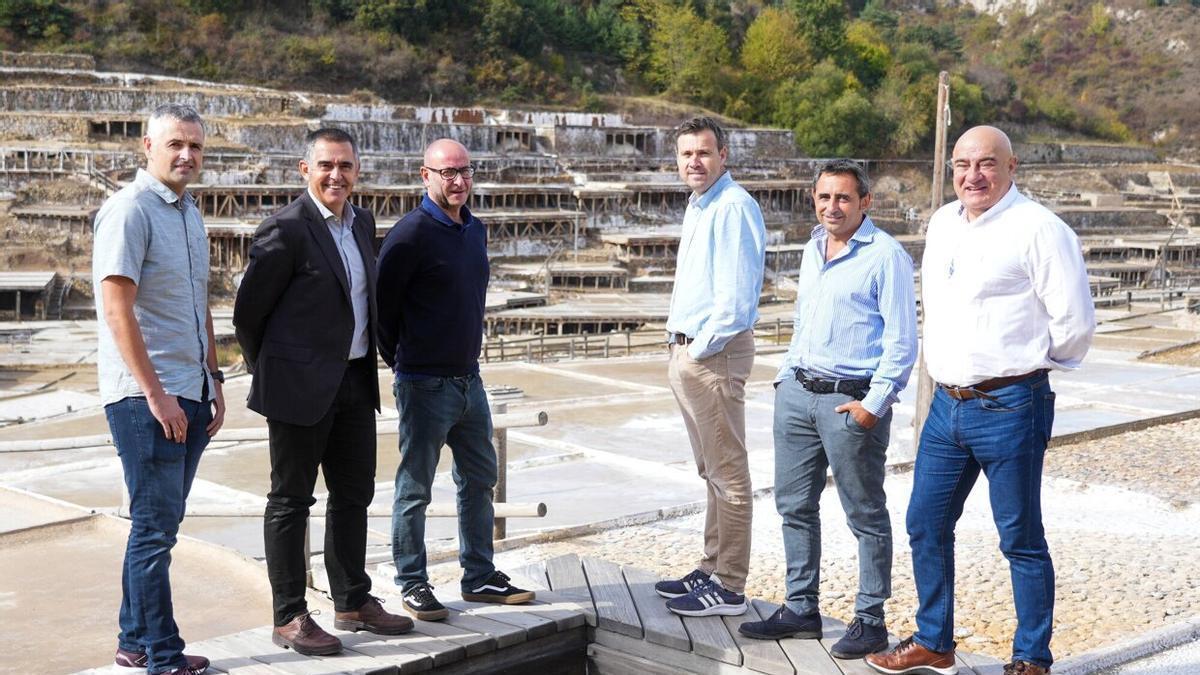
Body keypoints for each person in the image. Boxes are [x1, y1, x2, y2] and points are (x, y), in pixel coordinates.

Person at [866, 126, 1095, 675]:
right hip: (947, 406)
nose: (973, 175)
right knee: (925, 522)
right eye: (963, 164)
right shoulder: (943, 223)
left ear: (1011, 166)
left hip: (1010, 404)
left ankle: (1031, 658)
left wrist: (1028, 369)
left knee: (1018, 535)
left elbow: (1076, 324)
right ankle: (933, 640)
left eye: (987, 164)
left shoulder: (1041, 229)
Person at [234, 128, 411, 656]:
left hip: (355, 379)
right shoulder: (284, 230)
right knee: (291, 500)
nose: (337, 175)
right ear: (304, 169)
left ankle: (353, 600)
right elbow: (249, 315)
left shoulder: (362, 222)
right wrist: (278, 370)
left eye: (346, 166)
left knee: (354, 494)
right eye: (326, 165)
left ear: (357, 171)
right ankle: (288, 615)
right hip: (298, 388)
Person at [738, 160, 917, 660]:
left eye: (842, 198)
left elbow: (902, 343)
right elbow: (804, 322)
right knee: (794, 506)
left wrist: (872, 406)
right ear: (813, 200)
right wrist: (784, 379)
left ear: (865, 203)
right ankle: (800, 609)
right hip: (797, 394)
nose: (831, 207)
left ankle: (870, 619)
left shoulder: (887, 257)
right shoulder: (812, 248)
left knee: (864, 513)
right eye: (823, 198)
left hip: (849, 401)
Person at [377, 138, 534, 622]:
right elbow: (383, 314)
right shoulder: (409, 235)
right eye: (447, 173)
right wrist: (407, 365)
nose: (459, 181)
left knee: (480, 478)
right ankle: (413, 582)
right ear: (425, 176)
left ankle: (479, 575)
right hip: (424, 383)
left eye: (465, 171)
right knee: (415, 488)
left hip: (470, 380)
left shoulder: (475, 231)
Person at [94, 103, 222, 675]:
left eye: (195, 146)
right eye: (175, 145)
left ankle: (133, 641)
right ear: (146, 146)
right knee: (155, 529)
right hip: (148, 396)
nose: (187, 155)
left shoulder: (190, 212)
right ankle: (162, 658)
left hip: (189, 387)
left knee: (158, 526)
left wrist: (213, 377)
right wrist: (156, 394)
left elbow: (201, 306)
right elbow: (116, 308)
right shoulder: (129, 209)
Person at [654, 117, 766, 618]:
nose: (694, 162)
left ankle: (730, 584)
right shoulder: (700, 205)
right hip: (689, 352)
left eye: (703, 153)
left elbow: (737, 299)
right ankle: (710, 566)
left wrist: (698, 349)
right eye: (686, 155)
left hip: (712, 354)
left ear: (724, 155)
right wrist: (678, 346)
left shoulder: (734, 206)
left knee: (728, 472)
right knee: (709, 470)